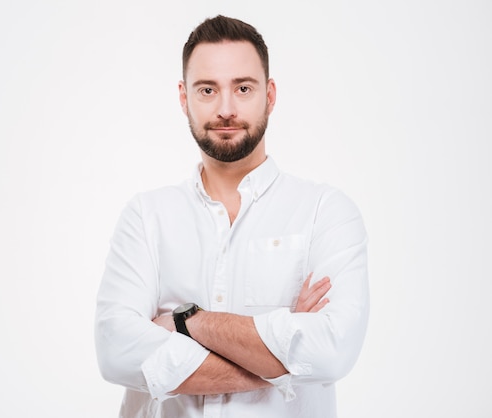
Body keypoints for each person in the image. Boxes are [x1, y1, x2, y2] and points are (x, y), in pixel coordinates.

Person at [95, 15, 369, 418]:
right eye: (207, 89)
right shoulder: (146, 217)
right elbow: (115, 351)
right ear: (184, 97)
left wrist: (188, 322)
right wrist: (280, 347)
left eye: (243, 88)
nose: (226, 109)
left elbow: (331, 352)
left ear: (270, 95)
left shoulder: (324, 212)